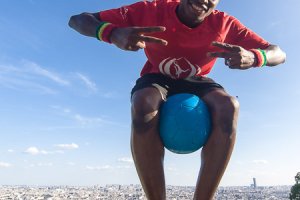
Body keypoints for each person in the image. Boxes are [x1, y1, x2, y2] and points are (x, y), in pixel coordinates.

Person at [68, 0, 286, 199]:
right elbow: (77, 20)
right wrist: (111, 33)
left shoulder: (224, 23)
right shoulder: (151, 9)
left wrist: (257, 57)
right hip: (157, 77)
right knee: (143, 103)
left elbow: (279, 53)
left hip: (197, 79)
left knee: (229, 106)